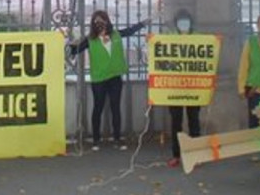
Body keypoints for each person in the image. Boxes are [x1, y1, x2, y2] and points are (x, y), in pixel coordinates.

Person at [69, 10, 148, 151]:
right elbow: (75, 51)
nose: (100, 23)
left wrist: (143, 24)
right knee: (98, 108)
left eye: (102, 20)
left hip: (115, 76)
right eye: (96, 21)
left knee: (115, 107)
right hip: (99, 78)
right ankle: (95, 140)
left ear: (107, 21)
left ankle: (117, 139)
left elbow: (129, 31)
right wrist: (72, 42)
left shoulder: (115, 34)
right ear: (93, 24)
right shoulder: (90, 39)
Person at [166, 9, 202, 167]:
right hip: (175, 87)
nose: (183, 24)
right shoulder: (169, 37)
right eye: (180, 21)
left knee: (194, 120)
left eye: (186, 21)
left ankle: (196, 154)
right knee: (176, 122)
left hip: (193, 87)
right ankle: (177, 155)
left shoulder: (198, 38)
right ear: (176, 23)